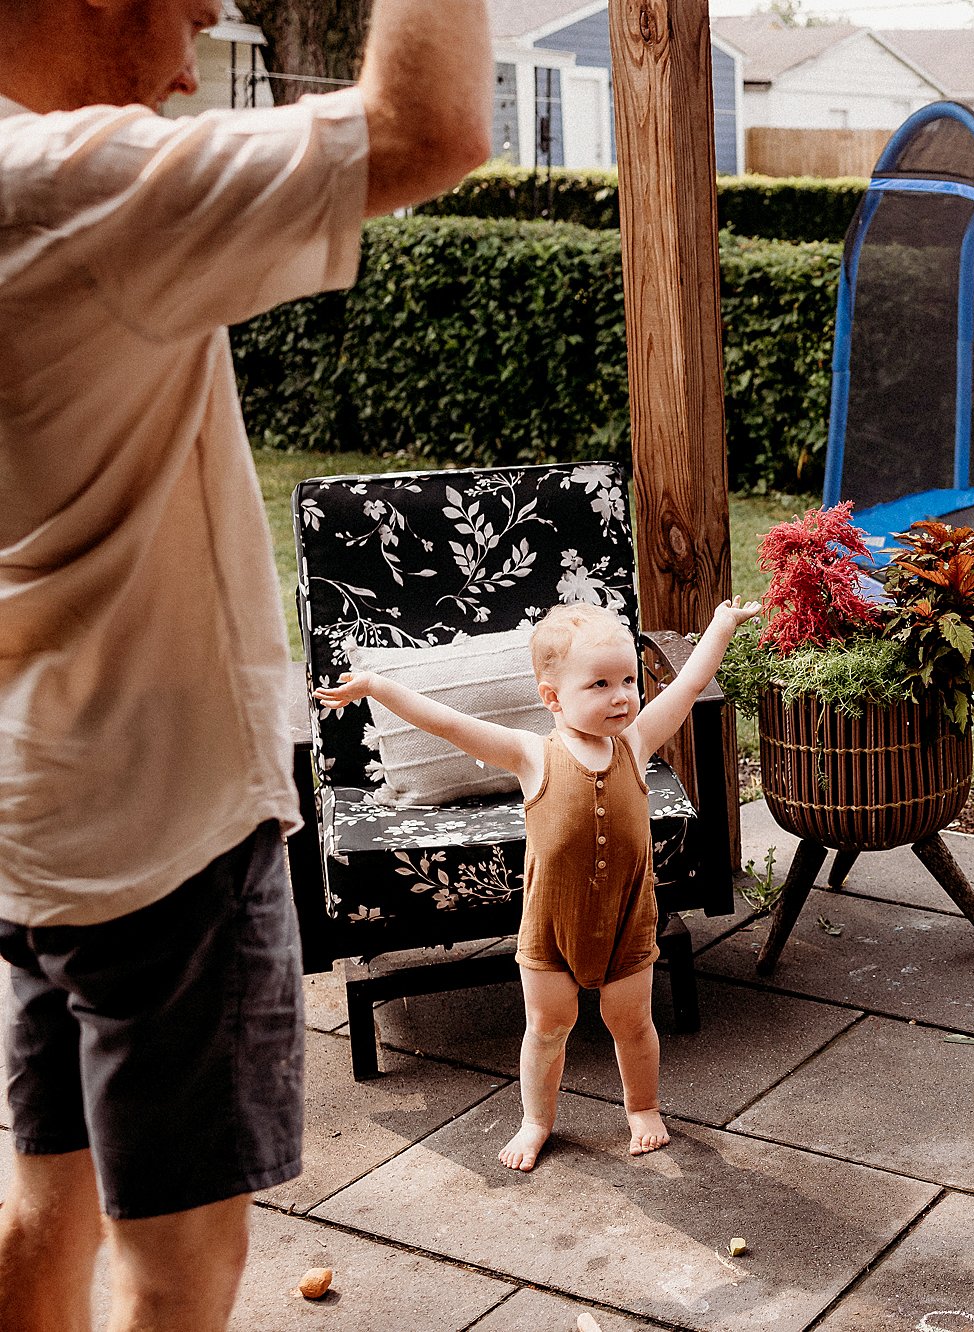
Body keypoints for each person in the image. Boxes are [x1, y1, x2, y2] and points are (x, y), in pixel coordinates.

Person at [0, 2, 491, 1328]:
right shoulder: (61, 185)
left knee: (49, 1200)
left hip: (33, 817)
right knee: (178, 1271)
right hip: (161, 837)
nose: (207, 26)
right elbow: (428, 130)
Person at [316, 600, 761, 1171]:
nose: (622, 695)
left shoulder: (637, 743)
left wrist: (721, 626)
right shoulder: (532, 756)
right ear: (552, 697)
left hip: (628, 919)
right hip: (551, 925)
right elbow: (447, 722)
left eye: (628, 679)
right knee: (547, 1030)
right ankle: (536, 1121)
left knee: (633, 1024)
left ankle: (643, 1106)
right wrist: (378, 686)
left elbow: (690, 681)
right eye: (599, 684)